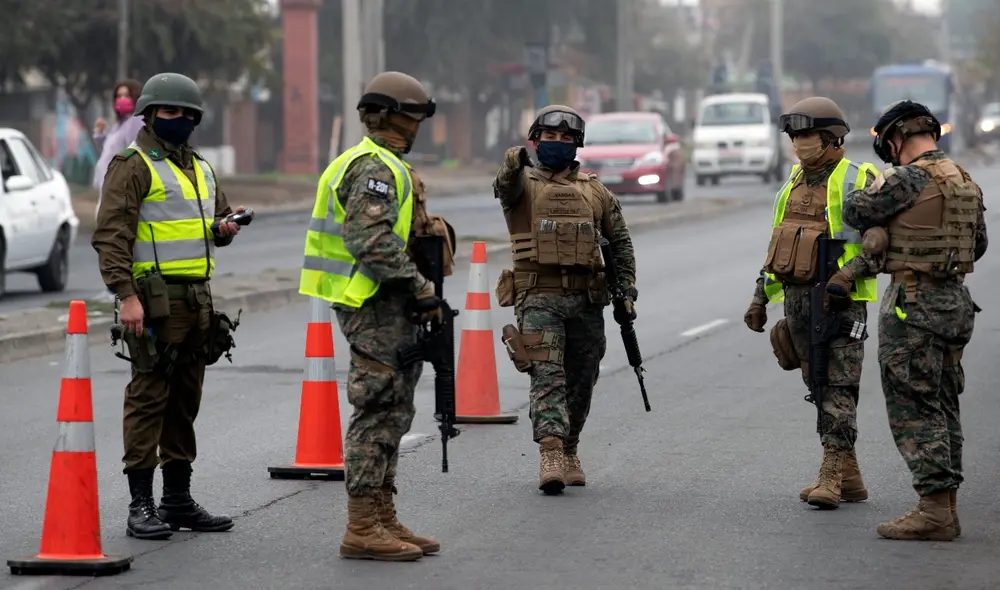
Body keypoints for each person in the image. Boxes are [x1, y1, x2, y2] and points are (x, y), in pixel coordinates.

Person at [300, 71, 454, 562]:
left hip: (387, 302)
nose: (419, 126)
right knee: (378, 408)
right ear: (393, 117)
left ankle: (383, 515)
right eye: (415, 116)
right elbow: (369, 239)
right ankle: (362, 525)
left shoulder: (385, 163)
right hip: (372, 303)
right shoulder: (375, 167)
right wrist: (419, 286)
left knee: (395, 410)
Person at [92, 72, 246, 540]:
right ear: (150, 115)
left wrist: (225, 227)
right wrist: (126, 297)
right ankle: (140, 504)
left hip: (198, 301)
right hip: (153, 301)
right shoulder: (132, 164)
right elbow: (111, 236)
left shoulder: (200, 167)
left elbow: (213, 220)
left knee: (184, 402)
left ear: (195, 119)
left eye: (185, 113)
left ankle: (177, 498)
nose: (177, 119)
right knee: (148, 399)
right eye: (168, 111)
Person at [844, 99, 987, 541]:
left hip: (913, 303)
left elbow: (854, 210)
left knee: (914, 407)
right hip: (955, 302)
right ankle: (947, 506)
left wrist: (886, 216)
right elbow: (978, 245)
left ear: (895, 140)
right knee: (943, 403)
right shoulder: (963, 179)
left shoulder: (906, 178)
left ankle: (933, 510)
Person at [743, 97, 881, 509]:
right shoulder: (792, 184)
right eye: (795, 136)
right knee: (818, 386)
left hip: (839, 304)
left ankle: (831, 475)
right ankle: (849, 476)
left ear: (831, 137)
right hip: (798, 303)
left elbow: (880, 243)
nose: (799, 143)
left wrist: (846, 276)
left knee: (838, 388)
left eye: (806, 135)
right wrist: (759, 298)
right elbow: (778, 245)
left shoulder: (859, 178)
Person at [492, 105, 636, 495]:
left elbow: (620, 244)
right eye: (550, 137)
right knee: (547, 375)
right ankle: (551, 453)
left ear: (577, 144)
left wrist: (626, 291)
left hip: (586, 298)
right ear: (535, 141)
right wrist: (512, 162)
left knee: (582, 377)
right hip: (539, 296)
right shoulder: (522, 185)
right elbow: (504, 186)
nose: (558, 143)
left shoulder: (595, 191)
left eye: (566, 138)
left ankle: (570, 447)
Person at [93, 79, 145, 218]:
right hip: (109, 189)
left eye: (126, 96)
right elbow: (111, 151)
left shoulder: (136, 121)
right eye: (118, 96)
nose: (121, 99)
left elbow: (136, 153)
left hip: (120, 193)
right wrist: (99, 135)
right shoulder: (120, 124)